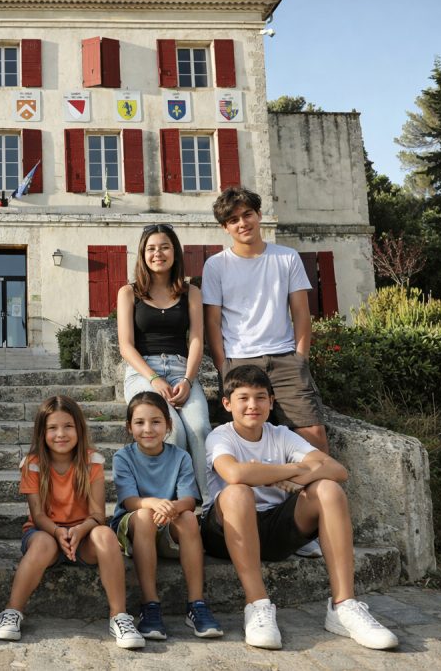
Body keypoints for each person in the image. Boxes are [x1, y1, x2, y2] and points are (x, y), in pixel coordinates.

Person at [201, 365, 399, 651]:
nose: (252, 405)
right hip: (225, 531)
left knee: (328, 489)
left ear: (271, 402)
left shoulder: (280, 435)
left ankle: (343, 606)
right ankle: (257, 605)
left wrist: (292, 477)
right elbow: (234, 473)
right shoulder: (220, 436)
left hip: (276, 529)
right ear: (227, 404)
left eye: (260, 397)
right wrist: (292, 469)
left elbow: (337, 470)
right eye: (243, 398)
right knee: (238, 493)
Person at [201, 186, 328, 558]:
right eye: (233, 219)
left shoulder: (286, 257)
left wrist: (300, 358)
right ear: (225, 227)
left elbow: (301, 313)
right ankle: (250, 521)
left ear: (258, 215)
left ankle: (304, 526)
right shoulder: (216, 265)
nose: (242, 223)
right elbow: (213, 322)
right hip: (240, 362)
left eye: (247, 215)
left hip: (285, 358)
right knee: (246, 441)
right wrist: (224, 366)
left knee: (315, 438)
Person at [0, 396, 145, 650]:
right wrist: (58, 532)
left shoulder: (92, 461)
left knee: (106, 535)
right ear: (42, 432)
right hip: (45, 534)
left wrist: (78, 530)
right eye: (52, 428)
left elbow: (97, 514)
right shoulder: (32, 464)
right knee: (43, 544)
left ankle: (119, 616)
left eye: (68, 426)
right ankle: (12, 610)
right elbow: (38, 515)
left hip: (83, 537)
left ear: (79, 429)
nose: (61, 434)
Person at [111, 391, 222, 641]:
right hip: (133, 527)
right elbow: (129, 501)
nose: (148, 429)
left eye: (156, 422)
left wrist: (171, 508)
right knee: (143, 516)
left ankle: (196, 604)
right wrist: (154, 504)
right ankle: (150, 604)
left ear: (169, 425)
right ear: (129, 427)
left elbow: (189, 500)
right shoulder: (123, 457)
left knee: (189, 518)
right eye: (139, 422)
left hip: (167, 523)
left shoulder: (180, 456)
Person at [117, 223, 211, 503]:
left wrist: (188, 380)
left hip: (183, 370)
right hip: (143, 372)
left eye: (165, 247)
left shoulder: (191, 292)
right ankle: (170, 505)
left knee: (199, 429)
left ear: (175, 252)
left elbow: (197, 339)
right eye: (151, 248)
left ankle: (209, 505)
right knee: (172, 431)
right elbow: (126, 346)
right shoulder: (129, 293)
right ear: (143, 254)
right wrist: (154, 379)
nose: (158, 253)